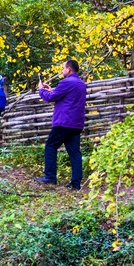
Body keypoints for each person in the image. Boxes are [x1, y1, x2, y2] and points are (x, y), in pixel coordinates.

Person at [36, 59, 87, 191]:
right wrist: (52, 90)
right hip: (76, 123)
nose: (62, 71)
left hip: (64, 122)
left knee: (51, 146)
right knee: (75, 153)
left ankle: (50, 177)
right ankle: (76, 183)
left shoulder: (66, 82)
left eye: (63, 68)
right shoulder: (81, 84)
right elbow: (65, 97)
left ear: (69, 69)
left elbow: (50, 98)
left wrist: (41, 90)